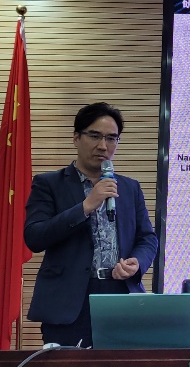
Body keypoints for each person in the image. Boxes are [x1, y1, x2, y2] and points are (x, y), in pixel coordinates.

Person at [24, 102, 158, 347]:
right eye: (95, 136)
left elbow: (147, 238)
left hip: (120, 294)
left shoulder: (130, 187)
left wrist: (137, 262)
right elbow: (34, 236)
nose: (103, 146)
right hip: (69, 301)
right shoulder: (49, 184)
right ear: (76, 138)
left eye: (111, 138)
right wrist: (85, 206)